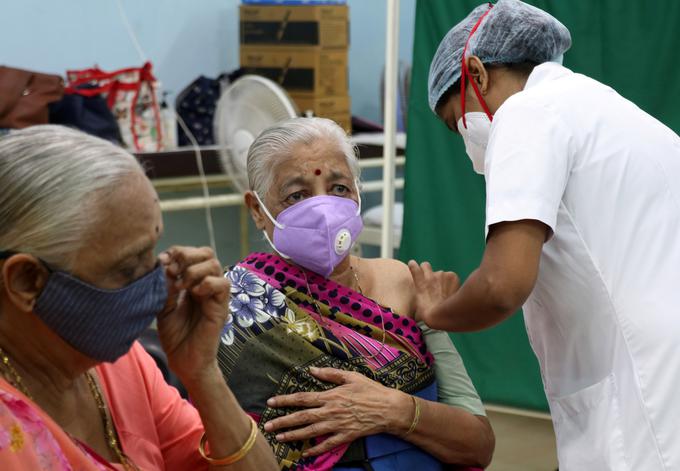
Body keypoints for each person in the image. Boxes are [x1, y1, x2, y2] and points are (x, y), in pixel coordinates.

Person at [412, 0, 680, 469]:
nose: (467, 141)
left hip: (642, 394)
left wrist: (436, 312)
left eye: (458, 122)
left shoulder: (527, 113)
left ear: (476, 71)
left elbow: (502, 285)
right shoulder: (609, 110)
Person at [216, 117, 494, 470]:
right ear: (258, 210)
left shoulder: (404, 284)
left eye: (339, 188)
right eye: (297, 195)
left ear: (358, 192)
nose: (323, 208)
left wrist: (392, 409)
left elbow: (478, 443)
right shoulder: (237, 305)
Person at [0, 125, 278, 470]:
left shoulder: (121, 365)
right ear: (26, 281)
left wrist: (203, 373)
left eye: (154, 251)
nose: (161, 282)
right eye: (129, 268)